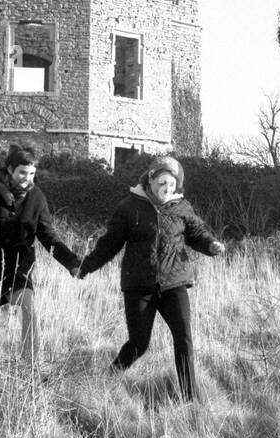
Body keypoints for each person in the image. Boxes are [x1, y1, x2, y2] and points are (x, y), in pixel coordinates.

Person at [78, 154, 225, 402]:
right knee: (139, 343)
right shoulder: (129, 207)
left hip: (173, 284)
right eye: (162, 183)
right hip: (139, 286)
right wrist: (85, 267)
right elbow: (109, 244)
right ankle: (108, 378)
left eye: (172, 184)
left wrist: (211, 245)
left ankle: (190, 399)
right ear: (150, 179)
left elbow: (197, 233)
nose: (166, 189)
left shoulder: (182, 207)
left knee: (184, 338)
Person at [0, 144, 80, 366]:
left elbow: (48, 236)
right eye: (22, 173)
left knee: (29, 311)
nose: (26, 178)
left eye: (32, 173)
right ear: (10, 170)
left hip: (18, 266)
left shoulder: (37, 197)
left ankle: (32, 366)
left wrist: (72, 262)